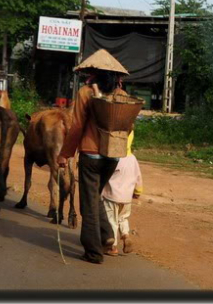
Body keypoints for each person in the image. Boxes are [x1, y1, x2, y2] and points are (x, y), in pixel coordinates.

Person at [58, 49, 130, 264]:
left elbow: (77, 126)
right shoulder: (123, 96)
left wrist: (65, 153)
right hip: (113, 156)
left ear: (94, 73)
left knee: (88, 204)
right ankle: (107, 235)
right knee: (95, 196)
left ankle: (93, 252)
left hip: (91, 155)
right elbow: (129, 126)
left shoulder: (85, 93)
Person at [101, 131, 143, 256]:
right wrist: (138, 191)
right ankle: (125, 236)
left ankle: (112, 246)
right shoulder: (133, 159)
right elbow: (138, 177)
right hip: (127, 198)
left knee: (112, 220)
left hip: (111, 196)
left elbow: (104, 176)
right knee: (123, 218)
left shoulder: (113, 158)